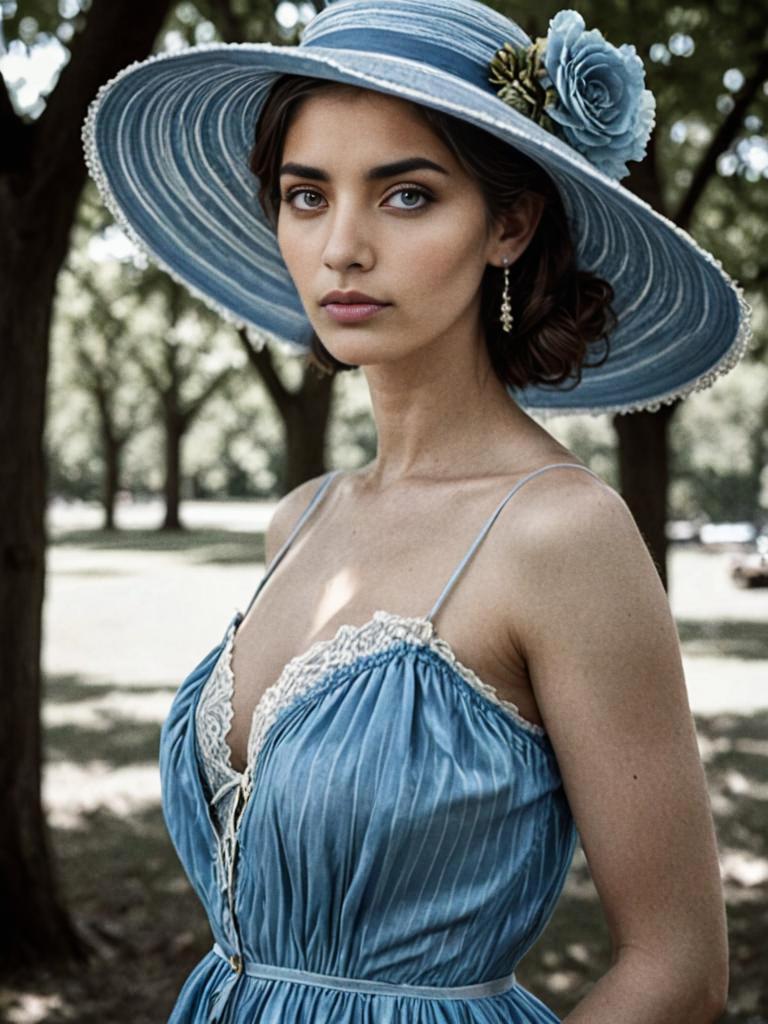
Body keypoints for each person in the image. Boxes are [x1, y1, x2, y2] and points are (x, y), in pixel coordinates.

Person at [83, 1, 751, 1021]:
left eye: (405, 193)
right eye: (307, 194)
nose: (341, 246)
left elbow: (678, 969)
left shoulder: (559, 534)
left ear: (510, 223)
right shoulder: (299, 519)